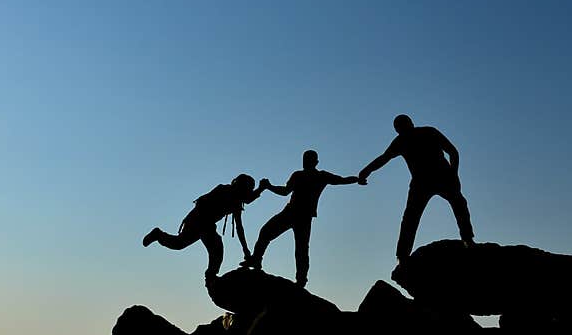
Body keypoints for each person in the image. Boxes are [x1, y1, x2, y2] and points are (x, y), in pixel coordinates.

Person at [358, 114, 474, 262]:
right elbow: (383, 158)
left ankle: (467, 240)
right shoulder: (404, 140)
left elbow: (452, 151)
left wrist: (453, 173)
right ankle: (403, 255)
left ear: (409, 124)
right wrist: (366, 171)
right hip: (425, 181)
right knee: (412, 217)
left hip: (438, 177)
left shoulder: (426, 133)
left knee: (456, 205)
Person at [242, 150, 359, 287]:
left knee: (299, 247)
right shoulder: (304, 175)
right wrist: (358, 179)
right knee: (268, 233)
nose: (305, 162)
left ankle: (301, 279)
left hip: (299, 215)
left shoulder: (318, 176)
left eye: (307, 159)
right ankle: (258, 260)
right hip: (292, 213)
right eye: (304, 159)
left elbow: (342, 180)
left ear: (315, 162)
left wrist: (357, 179)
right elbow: (285, 191)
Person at [143, 174, 264, 283]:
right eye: (249, 188)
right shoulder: (225, 191)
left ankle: (158, 234)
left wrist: (245, 250)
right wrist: (262, 188)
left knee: (179, 244)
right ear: (242, 187)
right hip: (199, 220)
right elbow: (247, 201)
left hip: (202, 223)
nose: (249, 192)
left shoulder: (236, 201)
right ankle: (211, 276)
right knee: (215, 248)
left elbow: (239, 225)